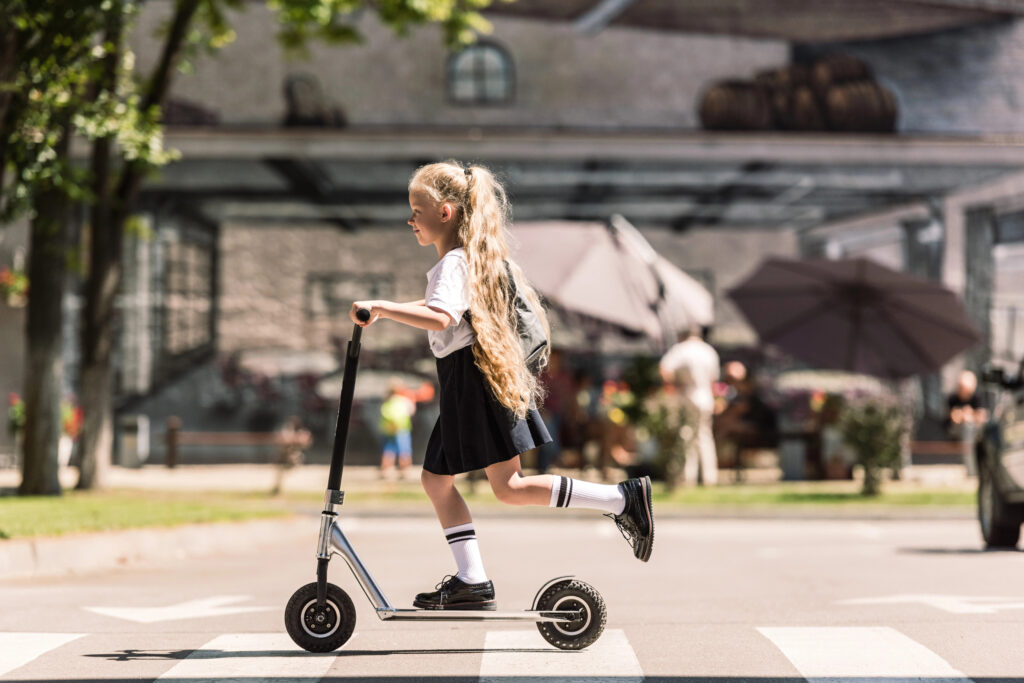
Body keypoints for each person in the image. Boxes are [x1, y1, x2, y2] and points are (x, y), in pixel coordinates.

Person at [350, 160, 654, 611]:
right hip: (467, 381)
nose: (410, 219)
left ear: (446, 212)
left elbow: (442, 316)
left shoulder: (455, 261)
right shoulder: (464, 260)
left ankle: (619, 498)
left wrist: (384, 306)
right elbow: (442, 306)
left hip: (472, 384)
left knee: (507, 486)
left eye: (417, 209)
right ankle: (472, 579)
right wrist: (386, 310)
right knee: (442, 481)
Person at [659, 326, 720, 486]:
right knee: (705, 436)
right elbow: (714, 379)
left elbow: (664, 369)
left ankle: (687, 477)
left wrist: (676, 384)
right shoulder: (709, 351)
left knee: (687, 435)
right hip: (706, 396)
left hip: (688, 395)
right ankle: (709, 477)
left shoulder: (681, 349)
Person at [946, 369, 987, 476]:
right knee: (967, 428)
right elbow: (953, 418)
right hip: (957, 431)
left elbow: (982, 417)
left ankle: (975, 470)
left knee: (972, 429)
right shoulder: (952, 398)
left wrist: (970, 414)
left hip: (975, 430)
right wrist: (965, 416)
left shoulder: (977, 398)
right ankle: (972, 472)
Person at [379, 380, 417, 479]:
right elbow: (411, 411)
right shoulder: (404, 400)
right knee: (404, 451)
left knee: (389, 450)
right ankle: (405, 471)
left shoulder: (387, 401)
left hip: (389, 430)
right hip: (401, 429)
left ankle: (386, 471)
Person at [272, 416, 312, 495]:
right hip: (285, 455)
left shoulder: (302, 432)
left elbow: (305, 441)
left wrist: (294, 439)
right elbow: (282, 440)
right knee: (281, 470)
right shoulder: (286, 431)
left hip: (294, 455)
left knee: (292, 461)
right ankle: (277, 488)